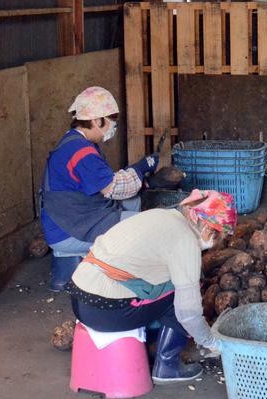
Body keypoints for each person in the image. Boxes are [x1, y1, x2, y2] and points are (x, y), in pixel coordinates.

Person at [67, 189, 236, 384]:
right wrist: (212, 342)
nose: (215, 242)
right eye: (218, 235)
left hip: (79, 298)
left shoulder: (159, 214)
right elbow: (188, 313)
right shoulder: (185, 240)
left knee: (167, 281)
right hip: (105, 312)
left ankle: (151, 341)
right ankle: (167, 366)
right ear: (207, 227)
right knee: (184, 291)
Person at [41, 87, 160, 290]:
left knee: (133, 203)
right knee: (146, 228)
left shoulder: (72, 140)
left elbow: (101, 182)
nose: (113, 126)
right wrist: (141, 168)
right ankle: (135, 281)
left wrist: (141, 178)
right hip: (69, 230)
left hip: (66, 219)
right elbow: (115, 188)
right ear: (97, 121)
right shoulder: (81, 151)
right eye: (112, 120)